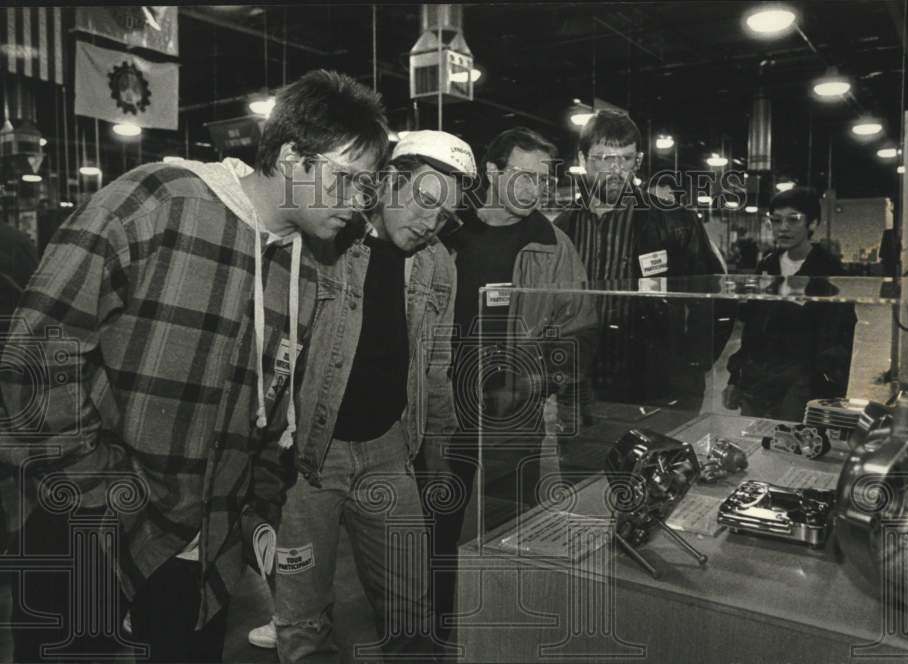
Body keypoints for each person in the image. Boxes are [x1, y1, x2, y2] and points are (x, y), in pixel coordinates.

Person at [0, 69, 388, 663]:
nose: (360, 202)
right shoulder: (156, 200)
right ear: (291, 157)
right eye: (349, 180)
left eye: (368, 186)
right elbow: (34, 351)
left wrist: (258, 515)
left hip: (205, 552)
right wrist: (102, 489)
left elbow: (270, 408)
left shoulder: (307, 271)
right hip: (86, 531)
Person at [271, 130, 473, 663]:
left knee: (412, 613)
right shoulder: (326, 244)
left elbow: (435, 366)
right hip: (310, 460)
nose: (432, 222)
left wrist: (440, 455)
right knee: (302, 621)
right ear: (386, 182)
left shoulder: (438, 265)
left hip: (388, 453)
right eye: (426, 201)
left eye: (445, 215)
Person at [422, 127, 596, 643]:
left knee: (511, 522)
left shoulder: (553, 244)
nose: (534, 189)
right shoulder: (446, 233)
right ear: (494, 173)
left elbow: (579, 329)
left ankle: (508, 628)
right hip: (443, 402)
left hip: (512, 410)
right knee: (440, 517)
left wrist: (536, 381)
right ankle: (438, 622)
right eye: (523, 176)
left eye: (543, 179)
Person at [554, 111, 729, 420]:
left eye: (626, 159)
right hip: (582, 386)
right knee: (582, 468)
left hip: (655, 386)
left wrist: (692, 365)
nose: (615, 170)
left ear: (638, 161)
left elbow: (718, 296)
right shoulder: (564, 227)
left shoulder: (674, 221)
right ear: (582, 158)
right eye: (603, 158)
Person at [724, 186, 857, 421]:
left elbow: (839, 337)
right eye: (776, 221)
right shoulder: (767, 266)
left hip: (802, 384)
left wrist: (821, 387)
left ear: (812, 224)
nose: (783, 228)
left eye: (793, 220)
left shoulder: (828, 271)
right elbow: (752, 328)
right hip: (758, 381)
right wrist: (736, 378)